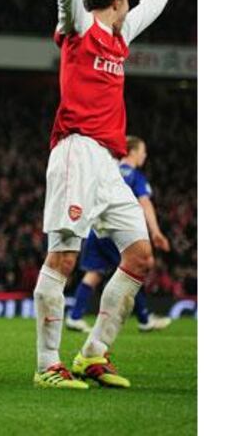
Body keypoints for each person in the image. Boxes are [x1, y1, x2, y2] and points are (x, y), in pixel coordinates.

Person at [24, 0, 190, 389]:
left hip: (110, 165)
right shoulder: (78, 26)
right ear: (116, 0)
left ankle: (93, 353)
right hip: (75, 151)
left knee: (139, 255)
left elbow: (155, 5)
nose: (131, 4)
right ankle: (47, 363)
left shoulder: (120, 38)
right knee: (64, 256)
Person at [66, 136, 173, 334]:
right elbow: (145, 202)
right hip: (118, 231)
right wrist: (156, 231)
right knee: (135, 268)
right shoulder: (135, 176)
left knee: (95, 273)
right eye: (143, 151)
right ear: (132, 152)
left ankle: (75, 316)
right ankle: (144, 318)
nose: (145, 155)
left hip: (96, 228)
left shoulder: (109, 169)